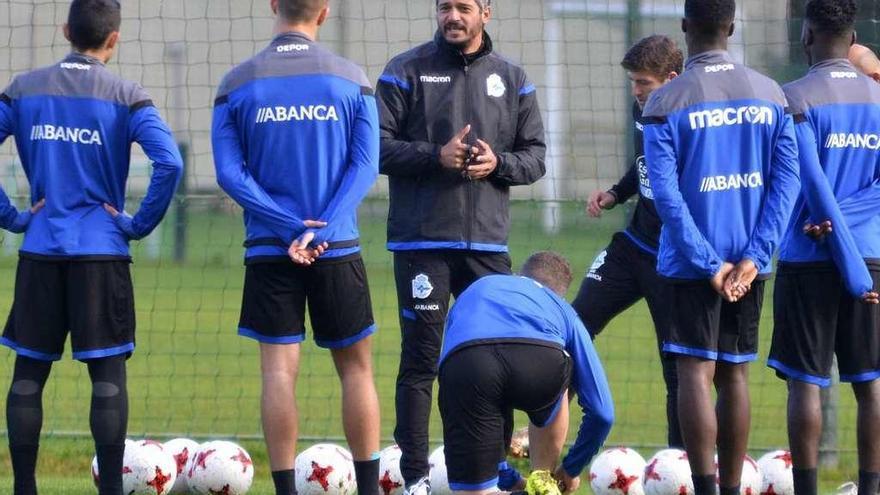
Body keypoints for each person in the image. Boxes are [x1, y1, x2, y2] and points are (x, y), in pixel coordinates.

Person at [0, 0, 183, 493]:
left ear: (66, 31)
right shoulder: (127, 95)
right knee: (106, 377)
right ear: (114, 38)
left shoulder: (23, 88)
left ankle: (23, 488)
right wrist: (137, 223)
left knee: (28, 375)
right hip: (102, 253)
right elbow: (169, 164)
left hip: (40, 250)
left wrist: (12, 217)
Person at [211, 1, 381, 494]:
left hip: (270, 247)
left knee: (278, 374)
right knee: (356, 370)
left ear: (272, 5)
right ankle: (368, 489)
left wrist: (289, 227)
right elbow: (365, 166)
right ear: (324, 11)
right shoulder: (352, 78)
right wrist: (321, 229)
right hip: (338, 246)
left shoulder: (236, 82)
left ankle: (285, 489)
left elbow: (229, 174)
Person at [376, 0, 546, 492]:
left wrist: (499, 164)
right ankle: (414, 478)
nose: (453, 15)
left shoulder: (512, 79)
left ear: (486, 12)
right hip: (422, 242)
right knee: (422, 359)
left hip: (487, 247)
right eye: (445, 6)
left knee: (494, 359)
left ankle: (492, 471)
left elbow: (535, 158)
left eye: (464, 7)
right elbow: (375, 147)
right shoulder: (404, 70)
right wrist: (437, 155)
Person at [641, 0, 800, 493]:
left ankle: (706, 488)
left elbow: (664, 194)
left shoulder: (666, 100)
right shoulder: (771, 93)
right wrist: (755, 257)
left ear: (685, 27)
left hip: (693, 264)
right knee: (734, 374)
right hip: (749, 265)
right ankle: (732, 489)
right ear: (731, 27)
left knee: (694, 369)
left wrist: (710, 264)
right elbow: (786, 182)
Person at [770, 2, 880, 494]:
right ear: (852, 33)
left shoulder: (792, 97)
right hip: (873, 255)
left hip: (807, 256)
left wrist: (827, 221)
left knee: (806, 381)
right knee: (870, 381)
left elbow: (803, 183)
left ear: (806, 35)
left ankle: (807, 489)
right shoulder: (878, 99)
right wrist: (850, 223)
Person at [573, 34, 684, 449]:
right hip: (632, 246)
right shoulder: (646, 113)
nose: (636, 92)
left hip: (672, 261)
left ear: (671, 79)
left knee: (677, 369)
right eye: (633, 82)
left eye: (644, 84)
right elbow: (643, 166)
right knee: (574, 325)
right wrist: (615, 193)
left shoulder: (690, 122)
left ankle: (679, 467)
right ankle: (546, 435)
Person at [438, 252, 614, 495]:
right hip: (540, 362)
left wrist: (503, 474)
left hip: (468, 361)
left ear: (518, 275)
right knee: (562, 370)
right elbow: (602, 412)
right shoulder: (561, 308)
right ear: (559, 293)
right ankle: (541, 480)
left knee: (475, 490)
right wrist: (571, 468)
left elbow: (452, 374)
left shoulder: (481, 286)